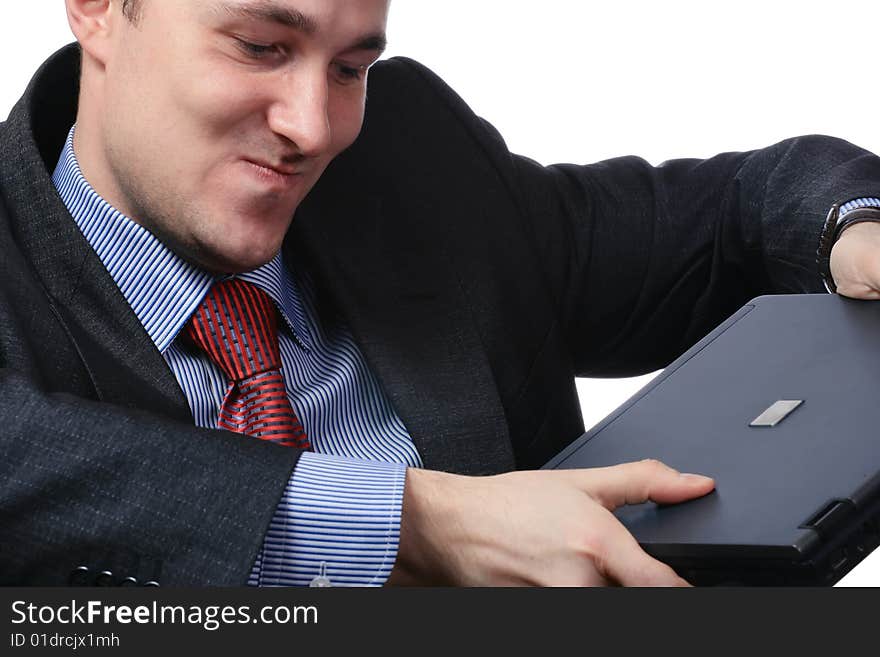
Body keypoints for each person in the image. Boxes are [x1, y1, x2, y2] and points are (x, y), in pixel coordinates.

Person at [2, 0, 880, 587]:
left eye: (349, 67)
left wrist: (856, 229)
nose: (312, 127)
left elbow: (740, 208)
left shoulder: (409, 160)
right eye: (261, 46)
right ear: (99, 10)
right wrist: (417, 522)